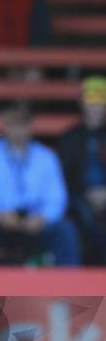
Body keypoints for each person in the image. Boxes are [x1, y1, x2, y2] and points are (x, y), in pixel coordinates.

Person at [0, 104, 80, 266]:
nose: (18, 130)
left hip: (36, 223)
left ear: (30, 126)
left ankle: (69, 287)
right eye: (13, 124)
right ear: (5, 125)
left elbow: (57, 198)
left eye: (22, 124)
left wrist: (43, 217)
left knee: (65, 229)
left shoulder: (46, 157)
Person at [59, 76, 106, 264]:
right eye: (90, 99)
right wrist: (85, 195)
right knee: (79, 219)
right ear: (82, 103)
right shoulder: (70, 137)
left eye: (100, 99)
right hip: (78, 199)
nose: (95, 105)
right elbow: (63, 178)